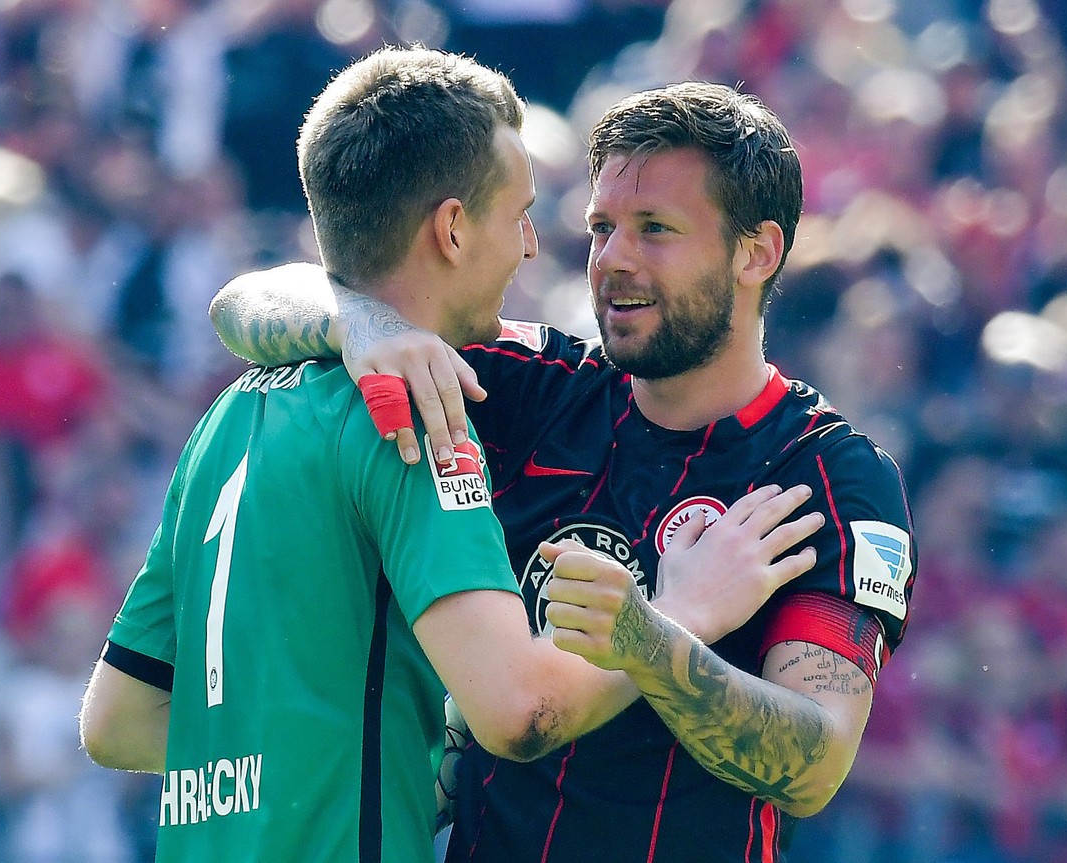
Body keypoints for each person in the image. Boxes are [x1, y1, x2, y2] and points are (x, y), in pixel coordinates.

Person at [79, 51, 819, 863]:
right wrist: (681, 610)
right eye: (519, 214)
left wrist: (333, 747)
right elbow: (520, 711)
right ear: (454, 227)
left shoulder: (228, 416)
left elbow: (116, 721)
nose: (534, 247)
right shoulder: (417, 418)